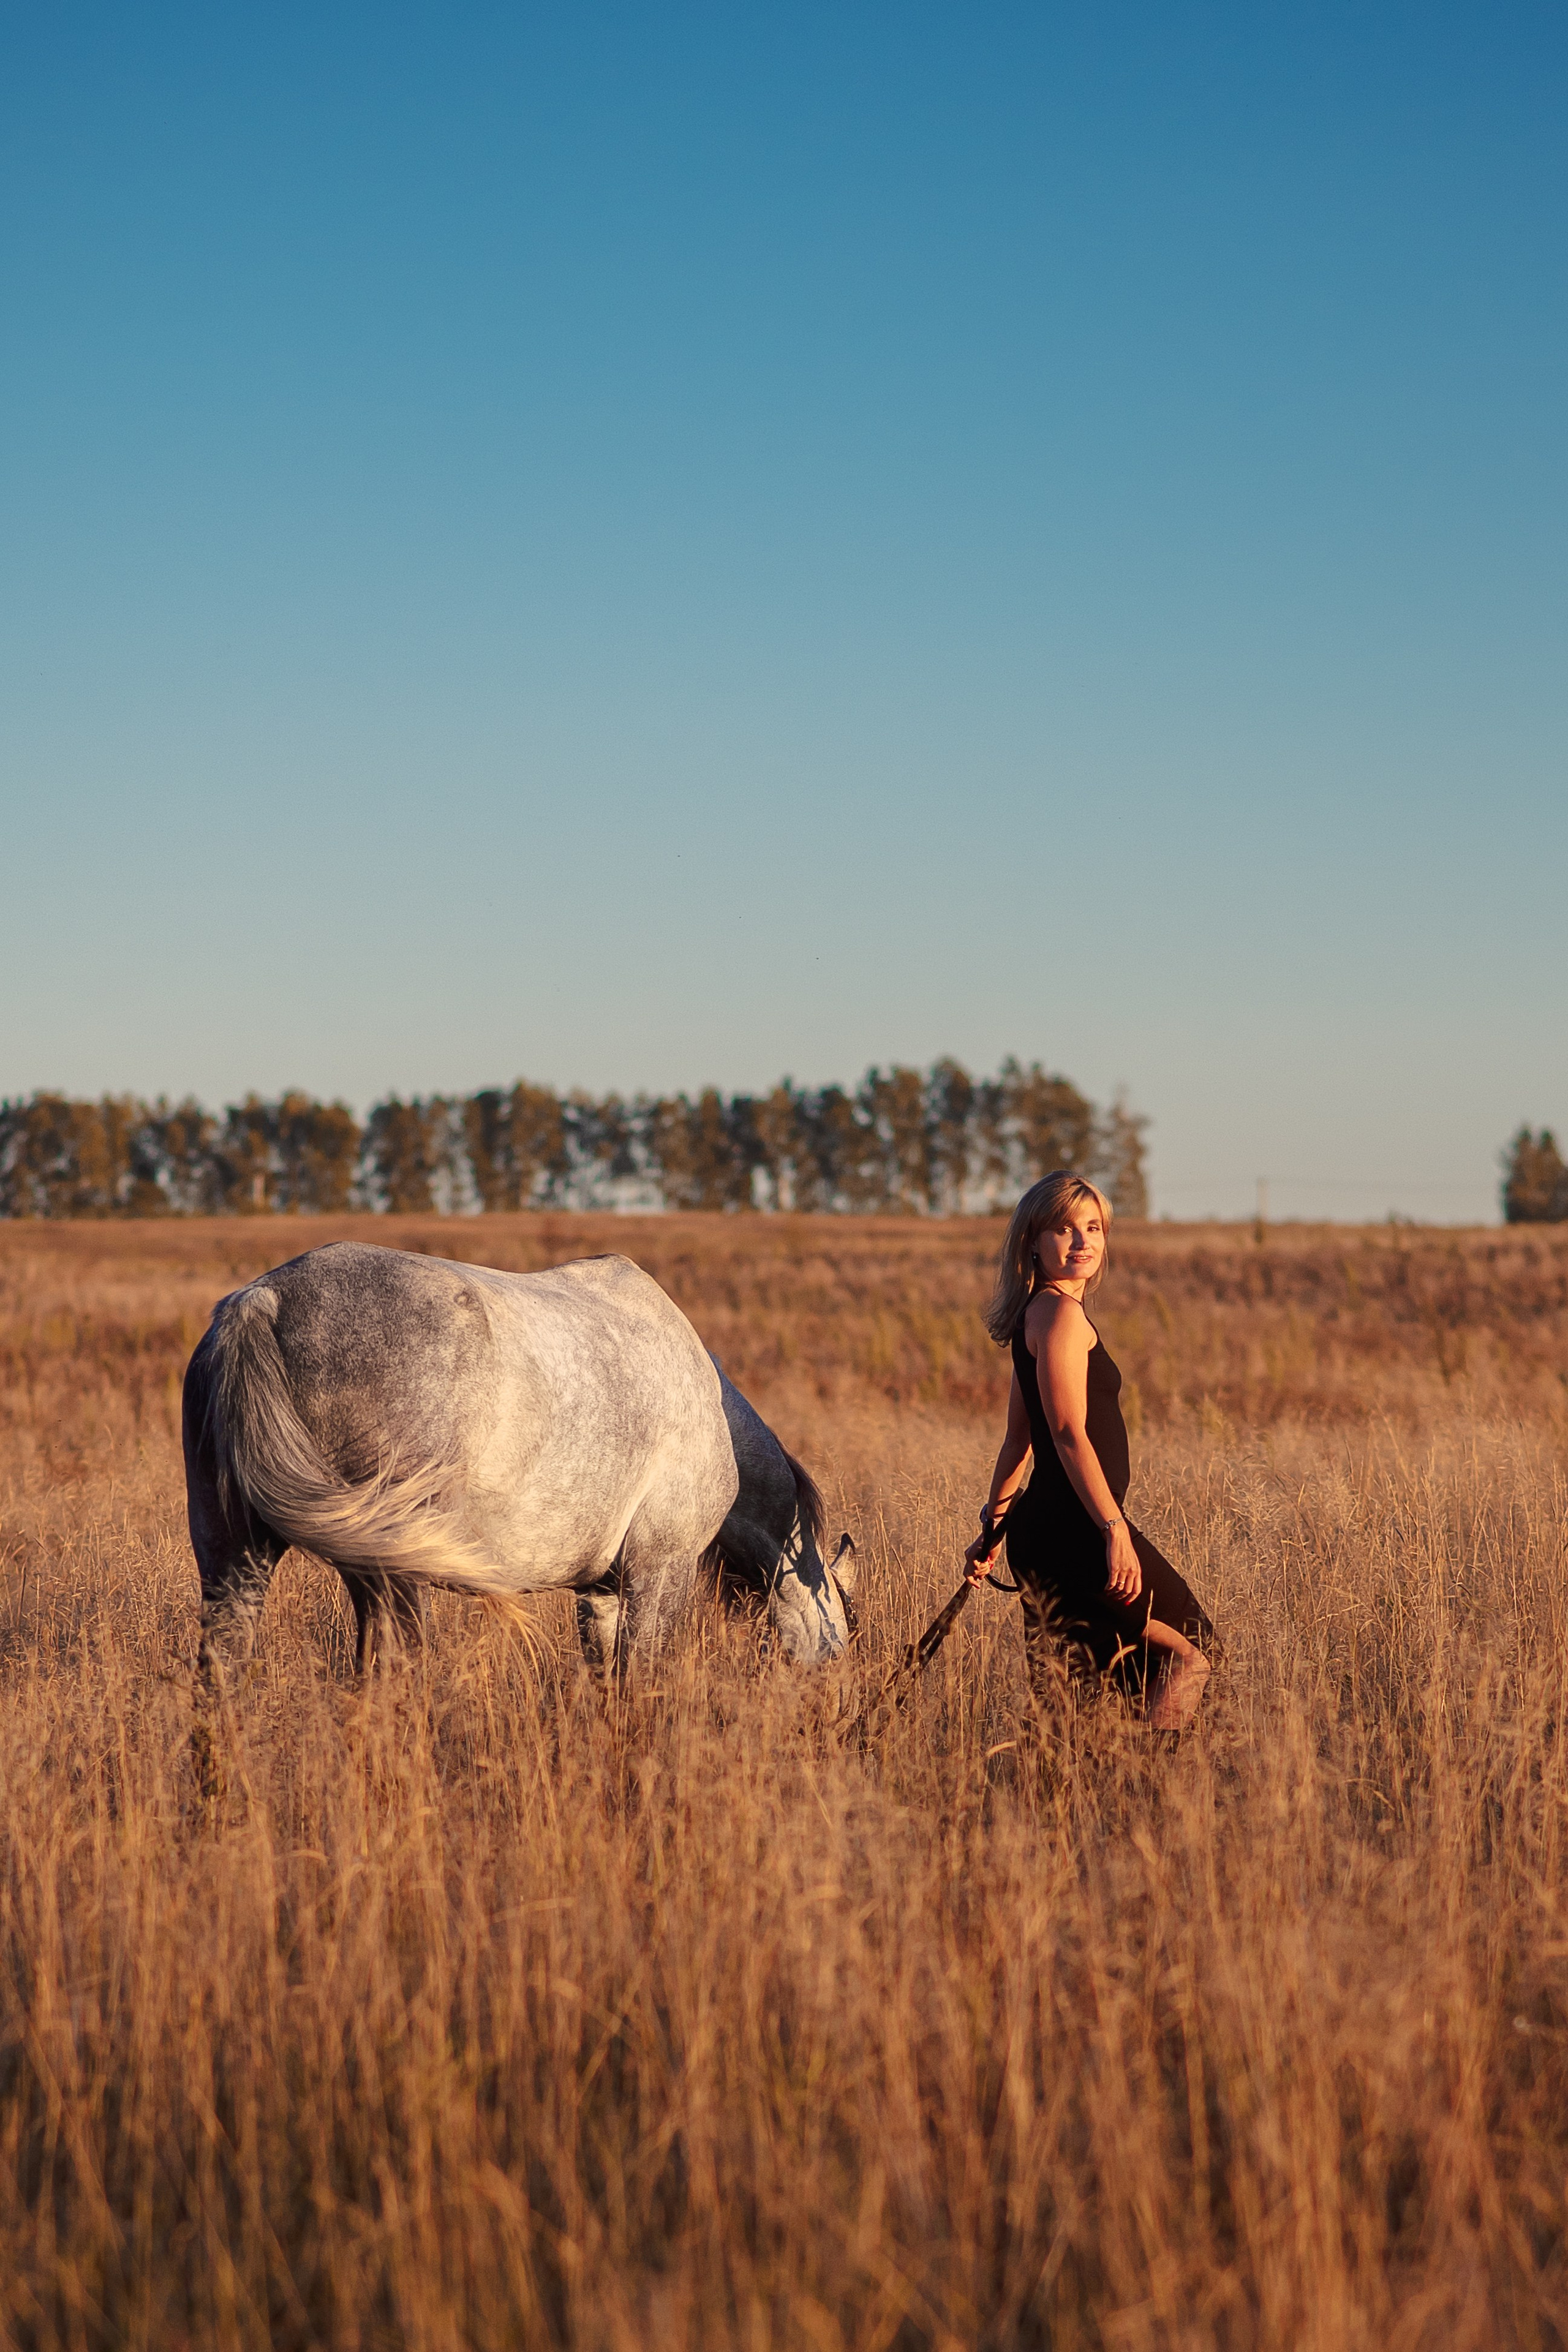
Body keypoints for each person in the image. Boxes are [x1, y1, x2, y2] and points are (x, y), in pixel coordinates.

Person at [963, 1170, 1214, 1730]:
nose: (1082, 1242)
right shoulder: (1059, 1315)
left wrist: (992, 1530)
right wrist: (1113, 1529)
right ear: (1033, 1240)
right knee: (1193, 1653)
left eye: (1093, 1227)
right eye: (1063, 1228)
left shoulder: (1041, 1312)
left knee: (1089, 1691)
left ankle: (1087, 1792)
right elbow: (1067, 1433)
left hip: (1049, 1530)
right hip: (1076, 1533)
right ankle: (1147, 1784)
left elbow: (1016, 1440)